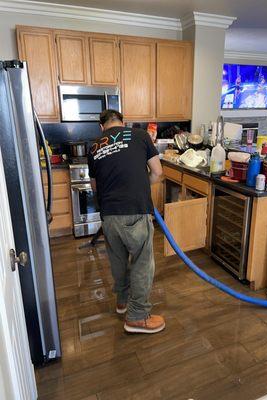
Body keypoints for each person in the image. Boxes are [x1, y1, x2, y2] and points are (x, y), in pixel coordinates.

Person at [88, 109, 165, 334]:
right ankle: (138, 317)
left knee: (118, 260)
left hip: (109, 214)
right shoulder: (140, 135)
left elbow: (95, 187)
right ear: (123, 122)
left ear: (101, 127)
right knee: (142, 263)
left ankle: (122, 303)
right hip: (134, 209)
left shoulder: (94, 147)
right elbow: (157, 172)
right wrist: (139, 186)